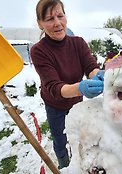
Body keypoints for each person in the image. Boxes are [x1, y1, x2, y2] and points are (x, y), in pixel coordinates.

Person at [31, 0, 104, 169]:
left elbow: (90, 67)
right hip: (54, 104)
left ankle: (77, 161)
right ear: (40, 24)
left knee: (77, 133)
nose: (57, 23)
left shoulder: (78, 43)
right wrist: (80, 87)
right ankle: (64, 165)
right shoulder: (39, 51)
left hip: (76, 102)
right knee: (59, 138)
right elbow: (54, 87)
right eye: (49, 19)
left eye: (60, 16)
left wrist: (98, 75)